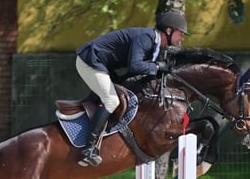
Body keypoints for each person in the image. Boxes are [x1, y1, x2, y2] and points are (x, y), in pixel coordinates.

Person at [74, 10, 188, 167]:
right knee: (112, 100)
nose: (181, 38)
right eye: (180, 33)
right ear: (169, 31)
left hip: (104, 66)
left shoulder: (154, 44)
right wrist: (156, 66)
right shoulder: (147, 38)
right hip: (90, 61)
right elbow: (135, 66)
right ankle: (88, 149)